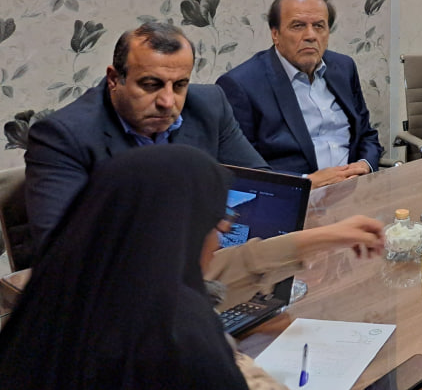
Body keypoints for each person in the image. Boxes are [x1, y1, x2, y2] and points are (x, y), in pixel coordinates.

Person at [0, 147, 297, 390]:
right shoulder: (173, 333)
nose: (218, 242)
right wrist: (229, 351)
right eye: (215, 226)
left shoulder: (61, 287)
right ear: (183, 232)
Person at [23, 21, 268, 258]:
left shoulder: (210, 106)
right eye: (151, 85)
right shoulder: (63, 136)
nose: (167, 102)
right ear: (114, 79)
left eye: (180, 85)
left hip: (204, 263)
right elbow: (60, 248)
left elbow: (266, 186)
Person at [217, 0, 383, 188]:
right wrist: (305, 183)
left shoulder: (343, 68)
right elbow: (242, 170)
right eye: (298, 26)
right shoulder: (241, 85)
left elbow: (366, 135)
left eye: (319, 26)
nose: (310, 35)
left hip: (355, 189)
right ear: (275, 34)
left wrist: (365, 166)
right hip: (296, 198)